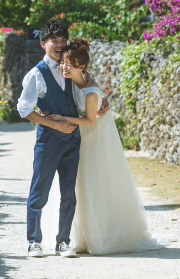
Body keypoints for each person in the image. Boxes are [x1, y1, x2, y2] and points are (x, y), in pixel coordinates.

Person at [50, 38, 166, 255]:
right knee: (77, 183)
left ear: (81, 66)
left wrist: (60, 117)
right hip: (80, 135)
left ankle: (101, 234)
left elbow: (90, 120)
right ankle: (79, 236)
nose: (63, 67)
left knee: (95, 181)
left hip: (94, 136)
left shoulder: (91, 92)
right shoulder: (69, 80)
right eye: (63, 62)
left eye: (69, 63)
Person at [16, 20, 109, 258]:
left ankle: (63, 242)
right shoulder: (37, 74)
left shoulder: (70, 65)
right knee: (40, 191)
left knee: (69, 193)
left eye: (62, 40)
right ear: (43, 44)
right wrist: (54, 123)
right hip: (48, 140)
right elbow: (24, 109)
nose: (59, 45)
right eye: (53, 41)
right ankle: (34, 242)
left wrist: (101, 101)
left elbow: (87, 87)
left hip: (73, 140)